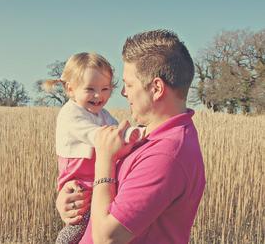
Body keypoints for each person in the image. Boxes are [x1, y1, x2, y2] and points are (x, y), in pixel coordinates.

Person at [56, 30, 206, 244]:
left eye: (129, 84)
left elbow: (107, 238)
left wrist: (105, 158)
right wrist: (70, 199)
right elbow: (107, 197)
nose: (124, 93)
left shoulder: (166, 154)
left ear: (156, 88)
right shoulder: (152, 140)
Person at [45, 52, 144, 244]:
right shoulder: (70, 114)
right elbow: (95, 135)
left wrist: (133, 134)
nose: (99, 95)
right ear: (70, 89)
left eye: (105, 88)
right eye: (90, 89)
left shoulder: (103, 114)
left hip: (96, 181)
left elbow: (115, 130)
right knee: (77, 225)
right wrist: (121, 136)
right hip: (79, 183)